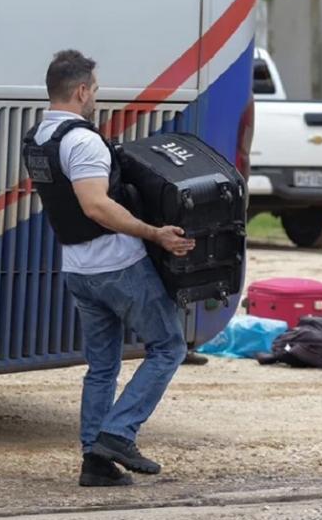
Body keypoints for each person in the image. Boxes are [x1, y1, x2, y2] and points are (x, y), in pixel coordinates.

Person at [23, 50, 194, 486]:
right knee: (168, 346)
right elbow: (96, 205)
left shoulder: (37, 137)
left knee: (102, 367)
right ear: (81, 91)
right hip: (117, 265)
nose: (96, 97)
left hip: (78, 268)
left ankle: (95, 463)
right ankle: (117, 434)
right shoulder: (82, 140)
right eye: (95, 90)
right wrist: (154, 233)